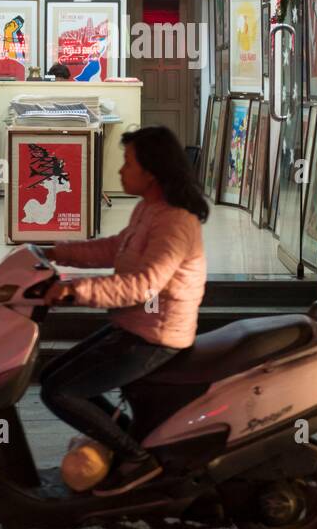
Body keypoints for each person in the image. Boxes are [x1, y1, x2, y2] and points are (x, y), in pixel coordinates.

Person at [39, 126, 208, 496]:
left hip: (156, 336)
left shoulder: (175, 221)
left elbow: (143, 284)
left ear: (151, 171)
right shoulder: (149, 208)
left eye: (127, 163)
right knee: (52, 378)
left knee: (61, 392)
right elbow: (115, 249)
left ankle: (138, 459)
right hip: (132, 325)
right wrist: (56, 252)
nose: (120, 171)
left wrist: (71, 291)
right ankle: (127, 440)